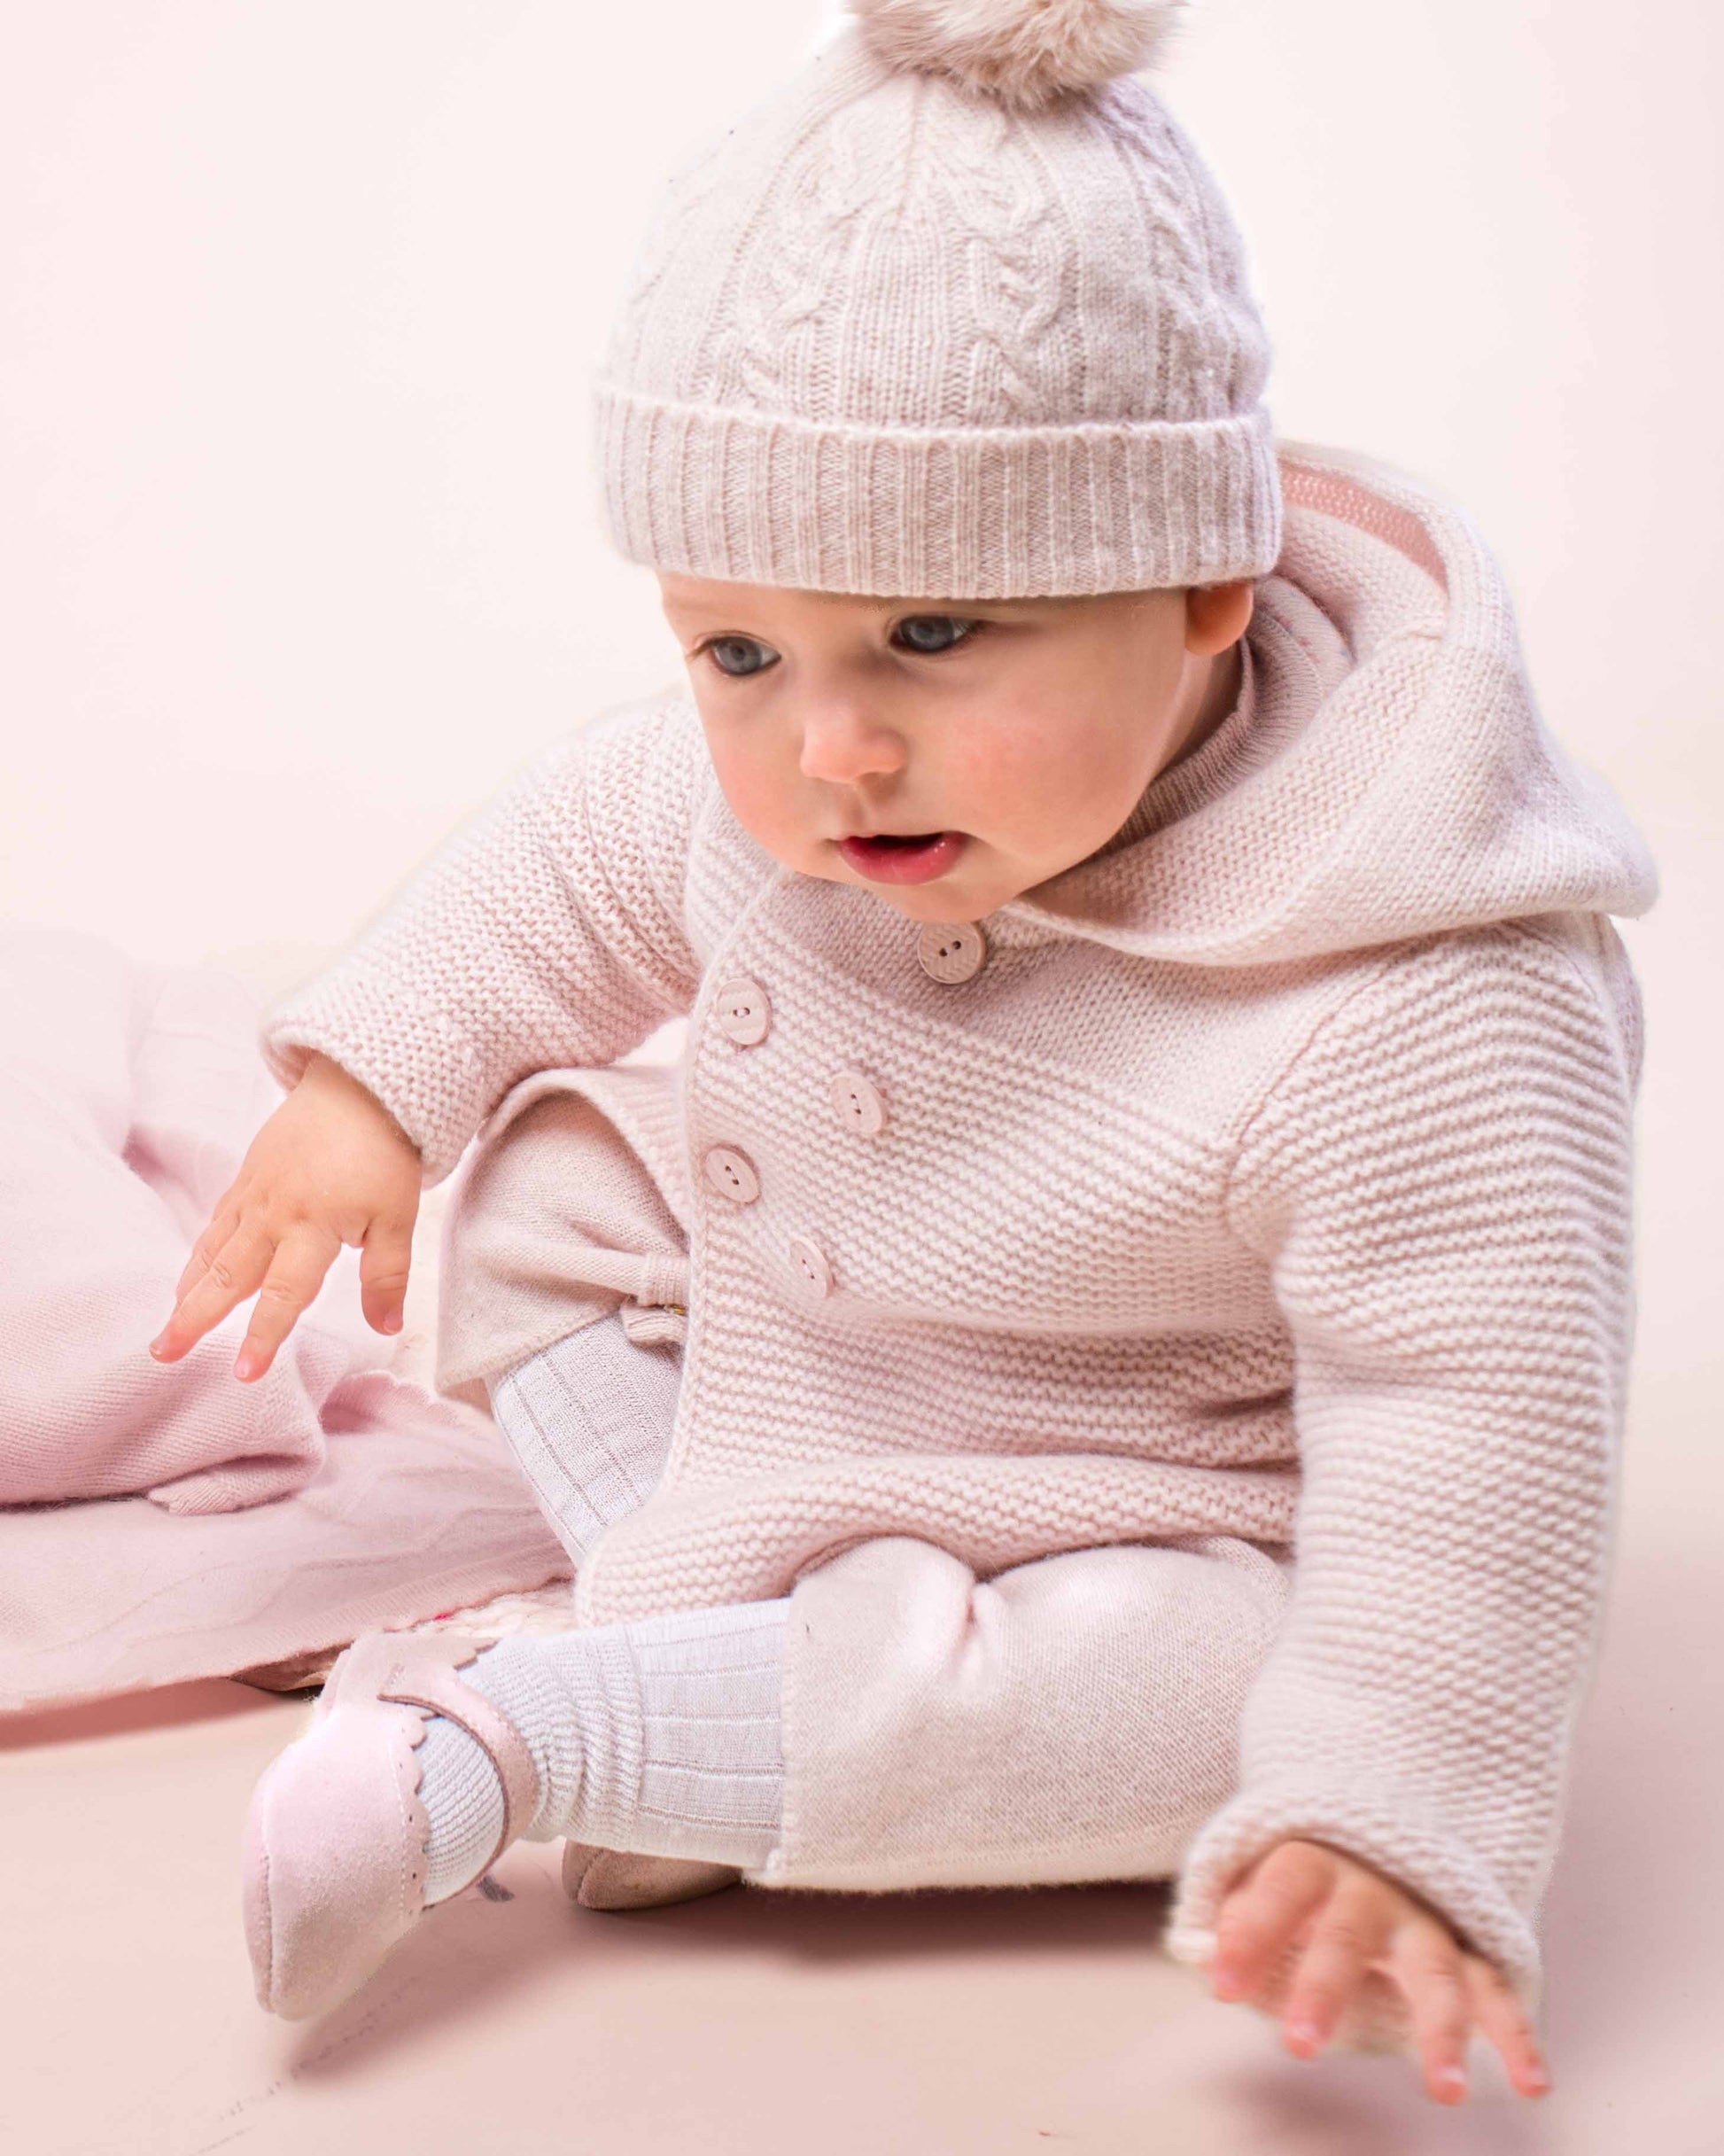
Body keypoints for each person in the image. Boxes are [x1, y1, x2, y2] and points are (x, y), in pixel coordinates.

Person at [149, 0, 1655, 2105]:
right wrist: (372, 1085)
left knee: (1265, 1699)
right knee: (559, 1173)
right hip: (814, 1350)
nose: (831, 747)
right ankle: (716, 1628)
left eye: (933, 641)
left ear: (1203, 579)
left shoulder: (1422, 983)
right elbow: (568, 857)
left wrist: (1391, 1792)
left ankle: (538, 1732)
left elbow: (1473, 1419)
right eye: (740, 651)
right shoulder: (785, 775)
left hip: (1156, 1491)